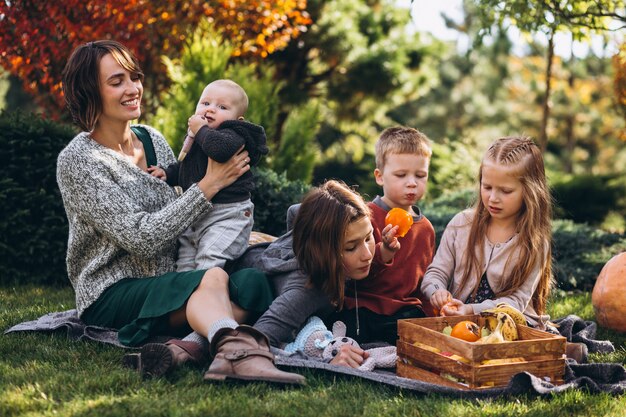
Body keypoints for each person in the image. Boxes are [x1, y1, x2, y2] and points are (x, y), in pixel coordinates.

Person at [56, 40, 304, 385]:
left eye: (134, 77)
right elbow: (141, 239)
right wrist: (210, 185)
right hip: (114, 291)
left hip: (173, 277)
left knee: (253, 283)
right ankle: (237, 353)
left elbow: (181, 208)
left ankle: (190, 347)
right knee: (213, 277)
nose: (133, 89)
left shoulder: (153, 139)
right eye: (117, 82)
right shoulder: (80, 160)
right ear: (89, 92)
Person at [228, 180, 378, 368]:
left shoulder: (316, 225)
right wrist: (325, 361)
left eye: (368, 237)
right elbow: (253, 343)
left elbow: (294, 210)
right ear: (322, 250)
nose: (367, 254)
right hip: (242, 273)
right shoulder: (306, 292)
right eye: (350, 247)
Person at [420, 136, 553, 329]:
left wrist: (472, 310)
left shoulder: (535, 243)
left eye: (506, 191)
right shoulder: (461, 224)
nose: (493, 198)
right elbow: (436, 273)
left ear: (530, 192)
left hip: (509, 326)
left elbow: (516, 302)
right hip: (458, 324)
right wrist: (437, 292)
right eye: (487, 187)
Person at [330, 126, 436, 345]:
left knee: (418, 336)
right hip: (364, 304)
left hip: (403, 309)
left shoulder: (426, 229)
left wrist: (432, 314)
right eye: (401, 175)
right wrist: (384, 252)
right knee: (347, 329)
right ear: (379, 177)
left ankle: (386, 350)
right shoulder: (365, 216)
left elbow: (423, 281)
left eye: (420, 175)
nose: (411, 183)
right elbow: (353, 273)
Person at [148, 79, 268, 271]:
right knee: (184, 266)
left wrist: (200, 130)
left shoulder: (233, 134)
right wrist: (168, 173)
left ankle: (209, 295)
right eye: (205, 103)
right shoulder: (201, 137)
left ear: (238, 120)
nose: (210, 110)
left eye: (222, 107)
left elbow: (219, 150)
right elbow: (188, 168)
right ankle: (185, 298)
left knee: (209, 259)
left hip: (227, 215)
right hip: (197, 215)